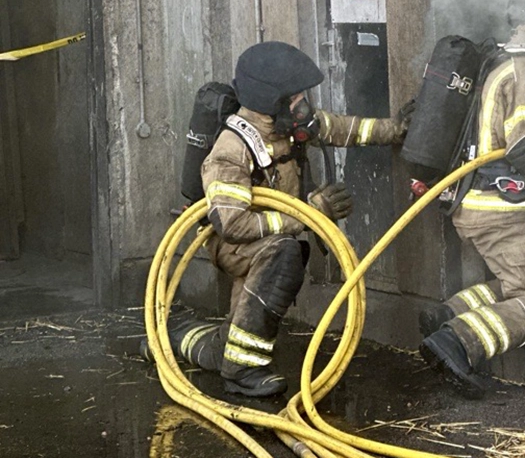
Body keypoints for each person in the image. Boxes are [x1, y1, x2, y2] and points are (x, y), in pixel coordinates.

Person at [146, 41, 411, 398]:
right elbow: (233, 226)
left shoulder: (286, 126)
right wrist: (308, 213)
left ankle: (176, 342)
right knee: (284, 253)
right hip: (234, 244)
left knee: (237, 328)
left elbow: (341, 129)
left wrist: (396, 130)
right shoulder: (232, 148)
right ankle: (242, 370)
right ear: (271, 101)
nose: (305, 105)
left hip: (269, 236)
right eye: (296, 98)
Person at [417, 0, 525, 399]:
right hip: (500, 207)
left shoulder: (493, 60)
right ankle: (458, 341)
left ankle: (446, 314)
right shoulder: (522, 69)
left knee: (513, 280)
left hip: (470, 201)